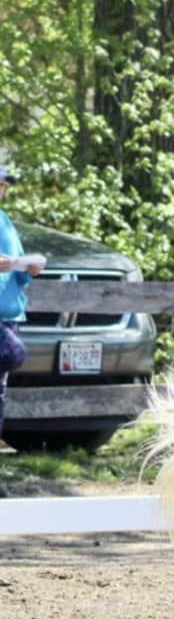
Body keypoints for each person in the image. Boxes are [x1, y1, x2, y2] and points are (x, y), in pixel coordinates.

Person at [0, 164, 45, 440]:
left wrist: (28, 269)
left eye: (3, 185)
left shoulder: (5, 222)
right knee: (13, 353)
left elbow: (17, 274)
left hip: (9, 318)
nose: (1, 189)